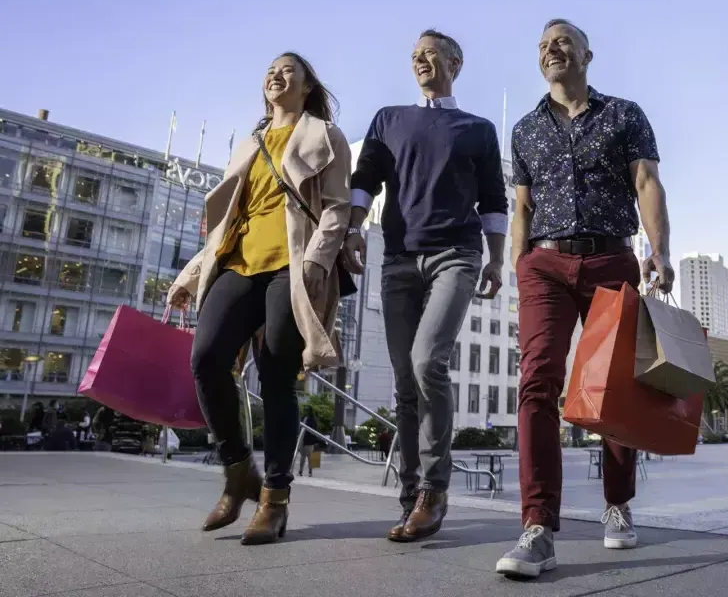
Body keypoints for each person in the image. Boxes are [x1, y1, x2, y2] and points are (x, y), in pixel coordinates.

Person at [496, 19, 674, 578]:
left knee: (613, 387)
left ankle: (617, 507)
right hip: (544, 264)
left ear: (587, 54)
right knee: (538, 379)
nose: (552, 48)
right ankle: (537, 526)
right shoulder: (524, 129)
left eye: (562, 40)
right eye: (543, 44)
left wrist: (660, 252)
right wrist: (517, 264)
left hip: (610, 260)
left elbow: (646, 182)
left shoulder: (625, 114)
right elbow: (521, 206)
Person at [167, 52, 351, 546]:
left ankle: (274, 498)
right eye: (271, 69)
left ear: (309, 84)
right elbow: (225, 222)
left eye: (289, 69)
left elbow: (336, 209)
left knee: (275, 375)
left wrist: (315, 262)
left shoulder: (324, 136)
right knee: (205, 359)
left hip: (292, 267)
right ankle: (237, 471)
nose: (276, 74)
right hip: (237, 263)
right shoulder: (250, 142)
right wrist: (191, 274)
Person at [343, 29, 507, 543]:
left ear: (455, 62)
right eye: (413, 55)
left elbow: (494, 200)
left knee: (426, 362)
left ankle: (435, 491)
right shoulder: (388, 120)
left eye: (429, 53)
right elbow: (364, 179)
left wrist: (497, 261)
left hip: (456, 255)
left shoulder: (477, 128)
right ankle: (410, 495)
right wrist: (351, 230)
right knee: (403, 383)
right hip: (396, 259)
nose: (419, 61)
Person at [298, 406, 321, 477]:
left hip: (309, 440)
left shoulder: (312, 420)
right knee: (303, 456)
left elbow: (314, 431)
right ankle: (300, 470)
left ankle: (310, 471)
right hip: (302, 439)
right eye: (305, 410)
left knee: (310, 457)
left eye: (307, 410)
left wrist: (314, 440)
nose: (305, 411)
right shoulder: (303, 418)